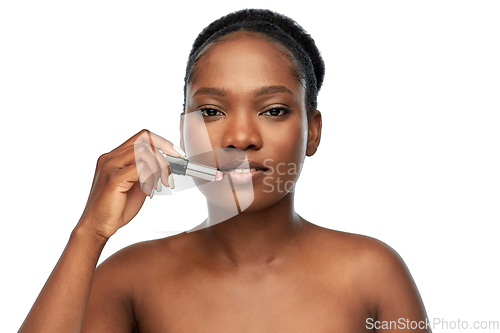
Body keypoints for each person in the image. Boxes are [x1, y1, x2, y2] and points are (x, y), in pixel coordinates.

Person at [19, 9, 430, 332]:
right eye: (212, 111)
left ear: (313, 131)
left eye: (273, 110)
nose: (240, 136)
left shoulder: (374, 273)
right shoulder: (129, 279)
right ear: (184, 130)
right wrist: (89, 234)